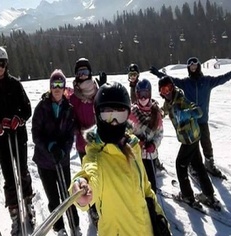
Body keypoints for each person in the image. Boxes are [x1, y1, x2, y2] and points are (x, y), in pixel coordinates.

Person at [70, 82, 171, 236]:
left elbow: (146, 189)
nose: (114, 122)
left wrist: (159, 218)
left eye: (120, 114)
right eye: (108, 115)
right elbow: (90, 173)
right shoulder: (97, 156)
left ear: (127, 115)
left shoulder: (133, 146)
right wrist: (81, 187)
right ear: (98, 115)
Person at [150, 57, 231, 178]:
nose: (193, 67)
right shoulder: (186, 83)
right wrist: (158, 74)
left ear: (198, 66)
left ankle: (209, 164)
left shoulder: (207, 81)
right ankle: (193, 165)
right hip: (189, 122)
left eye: (195, 64)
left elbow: (223, 78)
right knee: (193, 146)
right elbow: (171, 81)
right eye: (190, 65)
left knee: (206, 143)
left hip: (202, 120)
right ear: (188, 68)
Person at [0, 46, 34, 235]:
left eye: (2, 64)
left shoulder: (15, 84)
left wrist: (19, 118)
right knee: (9, 177)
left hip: (18, 137)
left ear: (6, 64)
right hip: (2, 141)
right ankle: (14, 213)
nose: (0, 68)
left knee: (23, 171)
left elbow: (27, 108)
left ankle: (28, 203)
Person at [158, 76, 220, 210]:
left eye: (169, 88)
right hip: (192, 137)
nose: (167, 92)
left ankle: (187, 196)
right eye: (163, 90)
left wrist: (187, 113)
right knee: (197, 165)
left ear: (173, 88)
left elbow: (198, 111)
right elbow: (163, 111)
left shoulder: (181, 100)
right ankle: (208, 194)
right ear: (161, 92)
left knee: (180, 165)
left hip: (189, 140)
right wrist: (155, 111)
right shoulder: (169, 102)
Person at [32, 69, 81, 236]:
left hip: (62, 159)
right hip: (45, 162)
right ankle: (59, 228)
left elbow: (70, 134)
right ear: (50, 87)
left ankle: (75, 226)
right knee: (53, 198)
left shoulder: (69, 108)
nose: (57, 88)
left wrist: (64, 150)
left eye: (60, 84)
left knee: (68, 195)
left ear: (64, 87)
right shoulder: (41, 107)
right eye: (54, 85)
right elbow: (36, 134)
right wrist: (50, 147)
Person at [69, 57, 99, 225]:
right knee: (88, 176)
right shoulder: (74, 98)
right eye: (79, 73)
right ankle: (92, 208)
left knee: (102, 173)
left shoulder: (98, 91)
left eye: (85, 72)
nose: (82, 76)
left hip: (101, 142)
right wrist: (77, 127)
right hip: (84, 145)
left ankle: (103, 201)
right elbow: (70, 119)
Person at [128, 78, 164, 193]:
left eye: (146, 94)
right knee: (138, 182)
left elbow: (159, 133)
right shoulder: (132, 112)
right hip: (136, 155)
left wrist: (154, 144)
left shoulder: (155, 112)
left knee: (151, 184)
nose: (143, 98)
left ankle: (152, 204)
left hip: (150, 155)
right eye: (140, 95)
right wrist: (135, 142)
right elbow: (126, 133)